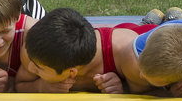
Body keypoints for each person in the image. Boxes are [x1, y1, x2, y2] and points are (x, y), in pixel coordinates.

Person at [20, 8, 155, 94]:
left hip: (143, 38)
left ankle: (156, 22)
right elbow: (17, 84)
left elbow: (162, 92)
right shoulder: (36, 51)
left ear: (72, 72)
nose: (31, 68)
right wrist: (39, 87)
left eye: (39, 69)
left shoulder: (128, 57)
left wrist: (124, 89)